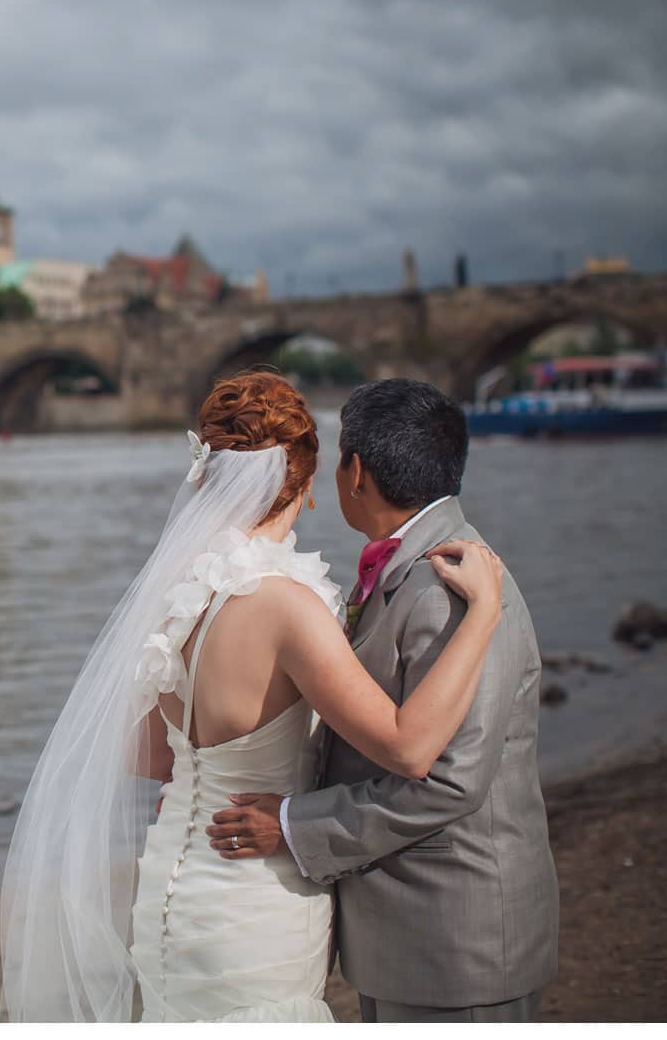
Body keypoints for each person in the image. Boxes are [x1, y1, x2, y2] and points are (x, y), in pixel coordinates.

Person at [0, 370, 505, 1022]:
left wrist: (212, 771)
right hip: (247, 901)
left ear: (207, 476)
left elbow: (144, 753)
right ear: (305, 484)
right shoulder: (285, 608)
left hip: (166, 898)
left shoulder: (181, 601)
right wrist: (483, 616)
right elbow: (408, 746)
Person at [207, 378, 558, 1022]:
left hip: (455, 940)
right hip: (411, 931)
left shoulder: (452, 585)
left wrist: (291, 824)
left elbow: (450, 783)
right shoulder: (422, 568)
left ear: (356, 471)